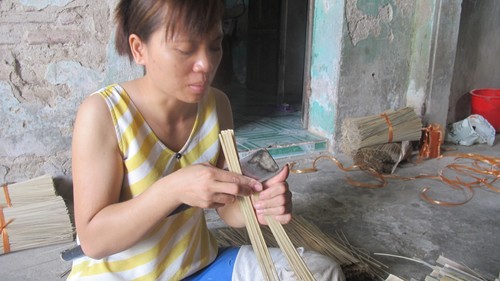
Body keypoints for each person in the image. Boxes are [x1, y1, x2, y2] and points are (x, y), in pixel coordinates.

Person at [68, 0, 345, 280]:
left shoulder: (217, 106)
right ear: (139, 48)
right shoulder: (104, 114)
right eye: (185, 49)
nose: (206, 64)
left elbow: (229, 210)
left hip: (198, 268)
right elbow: (94, 240)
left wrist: (260, 206)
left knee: (321, 273)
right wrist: (173, 189)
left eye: (215, 45)